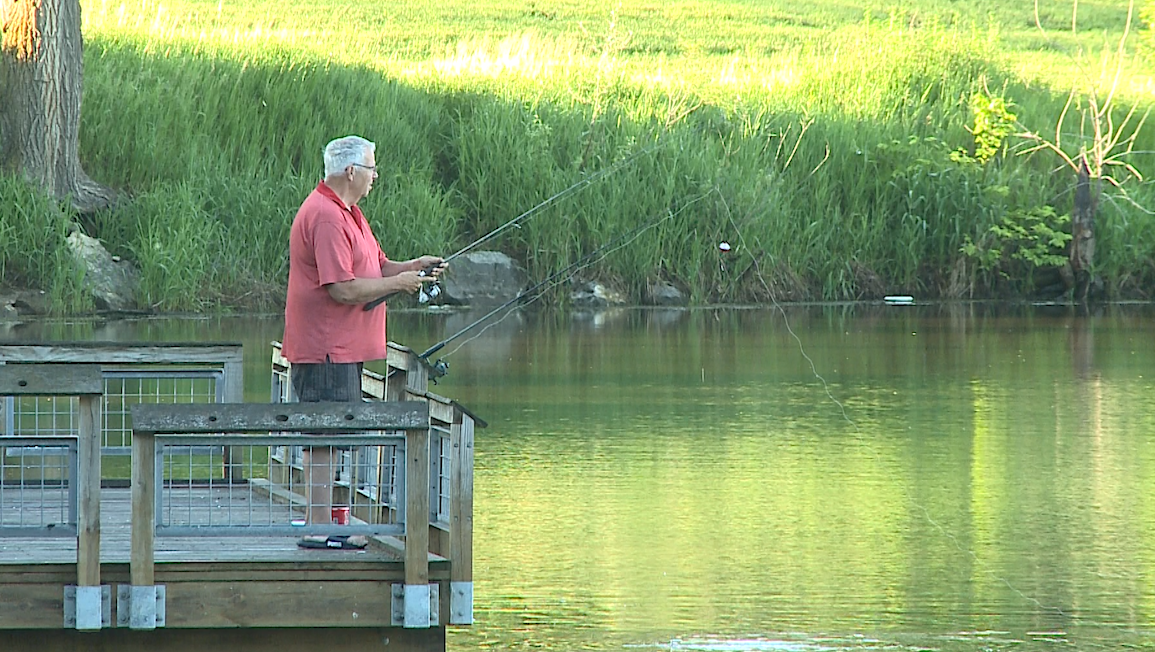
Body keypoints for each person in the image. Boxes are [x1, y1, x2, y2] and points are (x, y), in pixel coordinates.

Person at [283, 135, 446, 550]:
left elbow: (375, 266)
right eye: (372, 168)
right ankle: (318, 528)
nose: (376, 176)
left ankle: (324, 523)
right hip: (325, 349)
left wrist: (413, 268)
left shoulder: (350, 213)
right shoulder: (325, 216)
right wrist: (399, 284)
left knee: (334, 436)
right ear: (350, 171)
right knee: (323, 436)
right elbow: (341, 288)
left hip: (343, 349)